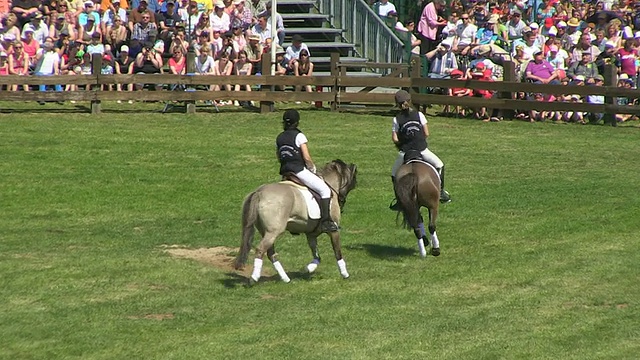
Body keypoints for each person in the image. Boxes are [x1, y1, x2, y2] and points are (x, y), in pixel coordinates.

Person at [276, 109, 339, 234]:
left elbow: (279, 156)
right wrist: (312, 168)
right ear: (297, 122)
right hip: (298, 171)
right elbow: (306, 157)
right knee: (325, 190)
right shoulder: (299, 136)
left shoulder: (279, 137)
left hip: (285, 172)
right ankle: (326, 221)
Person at [389, 90, 450, 210]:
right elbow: (426, 133)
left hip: (405, 152)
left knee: (394, 173)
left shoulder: (396, 119)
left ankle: (398, 200)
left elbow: (395, 138)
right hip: (421, 150)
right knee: (440, 165)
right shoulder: (419, 115)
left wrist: (404, 141)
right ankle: (441, 192)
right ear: (409, 101)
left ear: (397, 104)